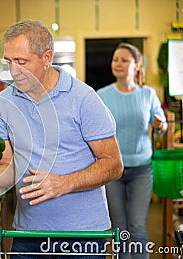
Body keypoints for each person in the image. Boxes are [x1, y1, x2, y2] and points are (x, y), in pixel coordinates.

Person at [0, 20, 123, 258]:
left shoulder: (83, 99)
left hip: (82, 236)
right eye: (9, 61)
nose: (13, 71)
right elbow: (9, 166)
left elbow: (113, 164)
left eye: (22, 62)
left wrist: (64, 183)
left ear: (46, 57)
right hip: (27, 235)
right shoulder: (2, 104)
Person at [97, 43, 167, 259]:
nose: (117, 63)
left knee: (137, 226)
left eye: (124, 60)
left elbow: (162, 126)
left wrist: (160, 126)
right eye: (115, 59)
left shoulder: (148, 94)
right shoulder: (102, 95)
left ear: (137, 66)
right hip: (112, 170)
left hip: (141, 169)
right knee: (119, 229)